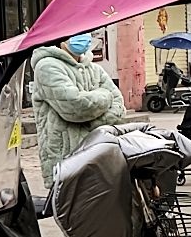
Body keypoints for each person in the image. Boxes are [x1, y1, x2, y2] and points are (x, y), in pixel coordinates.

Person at [31, 33, 127, 185]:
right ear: (61, 37)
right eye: (75, 34)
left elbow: (119, 108)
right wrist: (105, 95)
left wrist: (88, 125)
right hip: (65, 160)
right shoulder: (47, 67)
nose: (82, 37)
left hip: (98, 154)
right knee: (70, 207)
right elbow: (75, 106)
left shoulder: (94, 68)